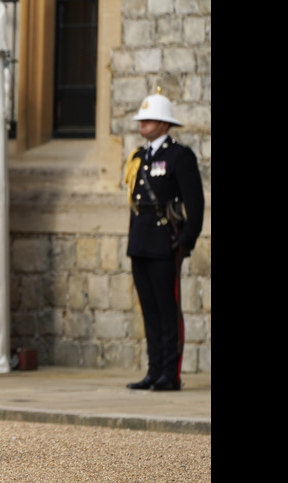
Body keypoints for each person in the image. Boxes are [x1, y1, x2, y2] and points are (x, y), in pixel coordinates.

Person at [124, 89, 204, 392]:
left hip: (164, 243)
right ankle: (154, 369)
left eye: (149, 119)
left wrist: (186, 240)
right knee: (150, 310)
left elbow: (194, 203)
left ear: (164, 123)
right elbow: (134, 203)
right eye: (142, 120)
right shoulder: (139, 157)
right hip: (141, 242)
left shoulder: (179, 156)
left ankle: (170, 373)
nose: (142, 124)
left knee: (168, 310)